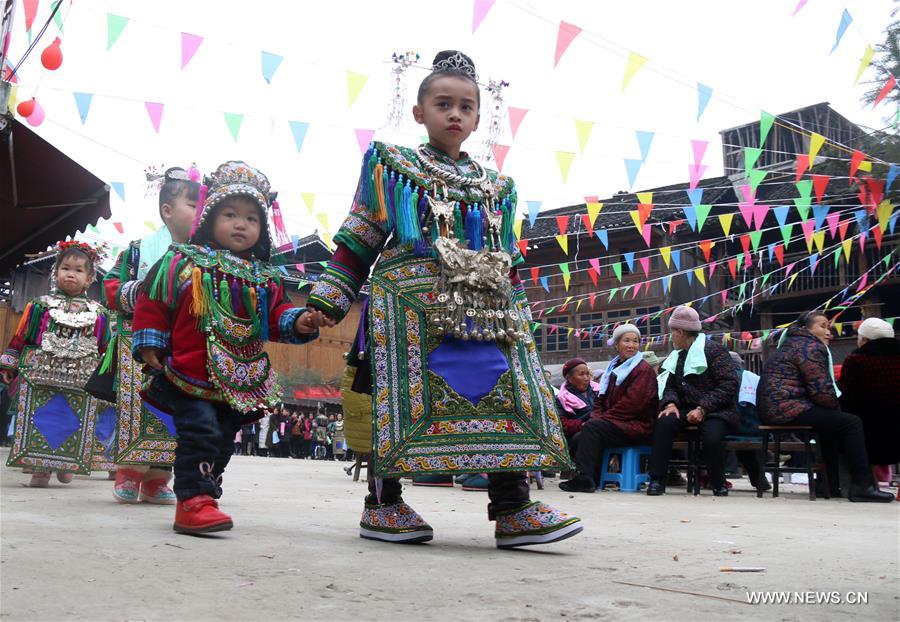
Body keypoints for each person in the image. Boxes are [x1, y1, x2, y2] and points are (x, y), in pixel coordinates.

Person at [306, 50, 581, 548]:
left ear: (478, 118)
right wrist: (326, 301)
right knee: (387, 399)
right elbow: (361, 234)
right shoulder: (392, 165)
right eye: (443, 104)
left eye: (466, 107)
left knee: (508, 392)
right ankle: (383, 503)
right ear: (419, 113)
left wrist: (517, 311)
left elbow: (505, 254)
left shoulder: (496, 186)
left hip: (484, 311)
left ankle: (513, 506)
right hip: (406, 312)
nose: (455, 114)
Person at [132, 161, 333, 535]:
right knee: (201, 432)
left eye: (251, 218)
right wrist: (150, 343)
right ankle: (191, 502)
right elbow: (153, 302)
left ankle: (206, 492)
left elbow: (277, 317)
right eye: (230, 214)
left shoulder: (265, 277)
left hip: (242, 377)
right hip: (190, 370)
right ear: (209, 218)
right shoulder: (182, 261)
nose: (241, 224)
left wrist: (301, 321)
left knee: (223, 440)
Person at [102, 167, 200, 504]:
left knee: (176, 412)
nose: (200, 211)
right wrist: (145, 291)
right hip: (141, 342)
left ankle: (160, 478)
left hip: (184, 346)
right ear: (167, 210)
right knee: (139, 406)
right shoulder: (139, 249)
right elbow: (110, 286)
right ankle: (128, 473)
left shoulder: (207, 257)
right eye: (192, 204)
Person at [2, 241, 110, 487]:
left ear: (90, 278)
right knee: (41, 417)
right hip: (41, 376)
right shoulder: (40, 306)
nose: (71, 273)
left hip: (81, 380)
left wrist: (105, 377)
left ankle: (67, 462)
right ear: (56, 271)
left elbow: (104, 347)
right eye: (65, 268)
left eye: (79, 270)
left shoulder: (99, 313)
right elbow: (22, 337)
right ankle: (41, 469)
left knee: (73, 419)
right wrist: (9, 365)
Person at [758, 311, 893, 502]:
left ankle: (826, 483)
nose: (828, 332)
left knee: (831, 425)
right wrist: (837, 407)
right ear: (806, 328)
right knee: (851, 422)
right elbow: (821, 390)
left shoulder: (792, 344)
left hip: (775, 408)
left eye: (829, 327)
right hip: (788, 407)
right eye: (822, 326)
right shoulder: (810, 347)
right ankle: (862, 486)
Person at [647, 306, 739, 497]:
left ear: (680, 332)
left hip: (715, 410)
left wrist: (703, 408)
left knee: (712, 436)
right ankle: (657, 480)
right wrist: (670, 403)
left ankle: (718, 482)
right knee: (664, 423)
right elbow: (668, 385)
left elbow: (729, 385)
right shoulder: (676, 356)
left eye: (673, 332)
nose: (672, 336)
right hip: (685, 408)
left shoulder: (715, 351)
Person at [559, 325, 657, 492]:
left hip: (637, 425)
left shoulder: (642, 370)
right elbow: (600, 400)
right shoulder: (613, 369)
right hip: (617, 423)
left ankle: (585, 478)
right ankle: (590, 478)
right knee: (579, 436)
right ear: (617, 344)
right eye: (626, 341)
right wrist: (597, 416)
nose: (631, 345)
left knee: (593, 427)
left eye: (635, 341)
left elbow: (632, 405)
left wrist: (601, 419)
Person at [838, 318, 900, 482]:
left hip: (869, 423)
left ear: (864, 339)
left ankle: (867, 484)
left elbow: (847, 393)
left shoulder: (856, 360)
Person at [555, 358, 598, 445]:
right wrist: (584, 425)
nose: (586, 378)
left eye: (587, 374)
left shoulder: (598, 391)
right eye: (581, 374)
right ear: (569, 378)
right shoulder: (561, 399)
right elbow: (561, 423)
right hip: (578, 435)